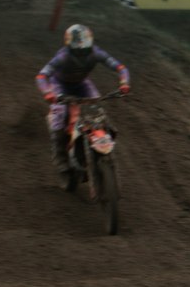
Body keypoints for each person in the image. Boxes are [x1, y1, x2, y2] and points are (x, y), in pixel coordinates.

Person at [35, 24, 131, 186]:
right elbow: (42, 76)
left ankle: (103, 139)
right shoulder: (63, 56)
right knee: (60, 114)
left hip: (81, 84)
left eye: (84, 44)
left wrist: (124, 83)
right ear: (69, 44)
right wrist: (48, 93)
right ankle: (62, 162)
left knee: (96, 107)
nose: (81, 49)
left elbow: (120, 67)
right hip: (59, 84)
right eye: (77, 46)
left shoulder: (96, 52)